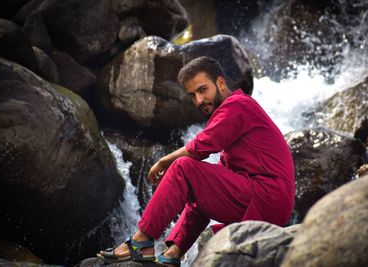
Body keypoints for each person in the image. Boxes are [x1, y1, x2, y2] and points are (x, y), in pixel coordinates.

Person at [97, 56, 295, 266]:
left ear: (220, 83)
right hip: (264, 202)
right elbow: (204, 192)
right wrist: (177, 247)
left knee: (183, 167)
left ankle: (141, 242)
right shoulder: (232, 118)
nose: (199, 100)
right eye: (193, 95)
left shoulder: (238, 105)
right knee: (196, 186)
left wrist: (164, 161)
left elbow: (200, 147)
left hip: (266, 196)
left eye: (203, 90)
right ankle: (174, 252)